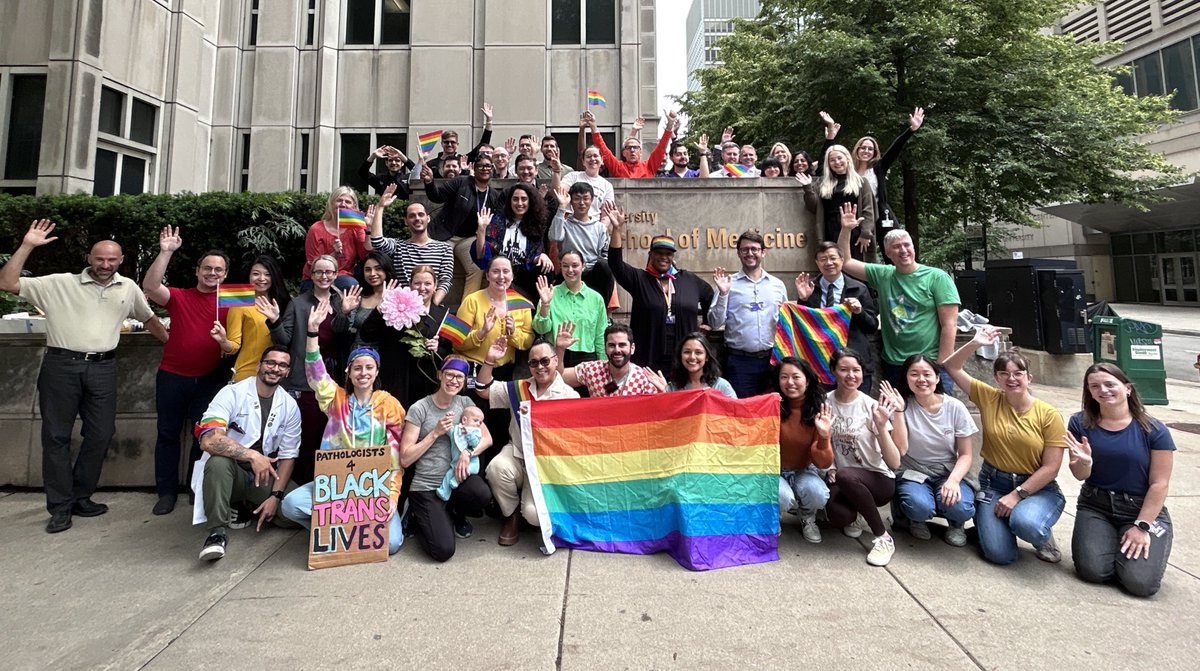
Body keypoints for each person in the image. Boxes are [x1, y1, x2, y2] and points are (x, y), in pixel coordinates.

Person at [0, 220, 166, 533]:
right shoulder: (58, 283)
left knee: (102, 433)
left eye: (112, 260)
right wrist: (27, 246)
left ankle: (81, 496)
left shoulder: (127, 288)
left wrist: (174, 348)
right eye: (99, 258)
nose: (105, 265)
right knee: (56, 437)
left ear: (121, 261)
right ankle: (60, 507)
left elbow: (150, 319)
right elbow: (7, 283)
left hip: (103, 368)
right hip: (61, 366)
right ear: (89, 259)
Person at [277, 302, 407, 555]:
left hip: (373, 488)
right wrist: (312, 332)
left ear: (377, 371)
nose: (363, 373)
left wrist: (392, 496)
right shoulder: (335, 400)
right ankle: (336, 532)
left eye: (369, 368)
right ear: (348, 372)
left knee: (390, 545)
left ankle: (349, 531)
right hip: (336, 486)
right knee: (291, 505)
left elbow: (394, 460)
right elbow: (315, 374)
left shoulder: (389, 405)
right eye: (357, 368)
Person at [944, 327, 1067, 566]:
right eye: (1004, 373)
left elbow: (1051, 468)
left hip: (1035, 486)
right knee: (999, 555)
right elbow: (951, 367)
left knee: (1027, 524)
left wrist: (1017, 495)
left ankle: (1040, 533)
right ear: (997, 378)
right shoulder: (989, 398)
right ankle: (995, 525)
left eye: (1018, 373)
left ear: (1028, 377)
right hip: (994, 482)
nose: (1011, 378)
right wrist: (975, 343)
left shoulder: (1048, 414)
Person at [143, 226, 233, 516]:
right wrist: (166, 252)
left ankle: (196, 488)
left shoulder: (231, 301)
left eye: (218, 270)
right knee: (167, 434)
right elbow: (151, 287)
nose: (212, 273)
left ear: (225, 274)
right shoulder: (180, 296)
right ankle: (166, 492)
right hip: (173, 376)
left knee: (203, 437)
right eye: (207, 268)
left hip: (210, 380)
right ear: (197, 271)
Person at [1066, 363, 1175, 597]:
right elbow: (1079, 475)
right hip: (1096, 505)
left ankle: (1133, 547)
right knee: (1092, 571)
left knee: (1139, 584)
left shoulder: (1154, 430)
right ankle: (1109, 542)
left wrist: (1142, 526)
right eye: (1094, 386)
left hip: (1139, 509)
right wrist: (1085, 463)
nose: (1103, 390)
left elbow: (1160, 484)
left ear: (1127, 389)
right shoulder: (1080, 423)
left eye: (1110, 384)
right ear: (1089, 392)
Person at [836, 203, 960, 394]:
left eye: (906, 245)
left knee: (935, 418)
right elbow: (845, 262)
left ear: (913, 247)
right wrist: (845, 229)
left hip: (929, 364)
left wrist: (941, 365)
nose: (903, 250)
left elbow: (950, 325)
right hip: (894, 365)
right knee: (900, 417)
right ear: (888, 253)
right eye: (896, 247)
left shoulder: (937, 278)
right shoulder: (884, 275)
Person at [192, 346, 302, 561]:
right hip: (230, 475)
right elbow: (209, 440)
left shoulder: (289, 406)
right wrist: (252, 455)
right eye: (270, 362)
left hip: (261, 478)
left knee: (295, 514)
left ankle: (247, 505)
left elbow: (289, 455)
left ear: (287, 372)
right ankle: (217, 533)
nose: (275, 369)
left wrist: (275, 497)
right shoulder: (231, 393)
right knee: (218, 462)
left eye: (282, 365)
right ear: (259, 365)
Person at [476, 338, 580, 545]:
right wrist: (489, 360)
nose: (539, 367)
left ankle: (526, 510)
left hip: (546, 466)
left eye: (544, 361)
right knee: (496, 468)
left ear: (554, 360)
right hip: (517, 453)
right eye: (534, 363)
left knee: (534, 516)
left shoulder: (570, 396)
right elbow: (482, 389)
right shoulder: (519, 388)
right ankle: (511, 514)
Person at [400, 356, 495, 561]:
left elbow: (487, 439)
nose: (454, 381)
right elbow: (405, 458)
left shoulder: (465, 403)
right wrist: (434, 433)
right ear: (440, 375)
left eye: (459, 377)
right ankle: (416, 514)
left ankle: (453, 512)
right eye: (450, 375)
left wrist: (467, 453)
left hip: (454, 480)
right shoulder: (420, 408)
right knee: (443, 551)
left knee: (481, 494)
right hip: (427, 484)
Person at [265, 255, 346, 485]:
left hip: (334, 383)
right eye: (319, 272)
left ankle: (327, 492)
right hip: (305, 383)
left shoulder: (340, 302)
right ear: (311, 275)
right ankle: (300, 490)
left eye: (329, 272)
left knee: (330, 442)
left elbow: (344, 336)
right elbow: (285, 340)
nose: (324, 276)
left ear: (336, 275)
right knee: (307, 441)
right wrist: (274, 321)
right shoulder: (298, 304)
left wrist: (346, 314)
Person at [889, 356, 978, 547]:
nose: (921, 379)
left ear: (937, 378)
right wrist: (898, 412)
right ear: (906, 378)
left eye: (927, 374)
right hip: (913, 469)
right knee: (918, 506)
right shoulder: (902, 405)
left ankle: (956, 523)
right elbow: (900, 449)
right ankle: (915, 517)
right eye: (914, 374)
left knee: (961, 508)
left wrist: (953, 481)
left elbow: (966, 455)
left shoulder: (955, 407)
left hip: (946, 470)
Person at [825, 348, 903, 567]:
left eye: (856, 370)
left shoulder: (871, 406)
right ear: (833, 371)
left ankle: (882, 537)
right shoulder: (826, 402)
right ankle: (859, 512)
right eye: (844, 370)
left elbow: (894, 462)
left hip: (877, 479)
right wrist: (829, 467)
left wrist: (880, 424)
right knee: (837, 515)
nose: (851, 375)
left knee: (847, 475)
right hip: (842, 478)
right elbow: (824, 442)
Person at [609, 218, 715, 373]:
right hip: (648, 358)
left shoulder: (689, 280)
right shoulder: (639, 279)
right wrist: (616, 229)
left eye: (668, 254)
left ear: (673, 257)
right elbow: (615, 264)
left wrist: (707, 322)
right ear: (650, 254)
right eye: (658, 253)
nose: (663, 257)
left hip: (684, 360)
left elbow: (709, 295)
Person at [708, 231, 790, 398]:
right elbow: (715, 323)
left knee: (772, 409)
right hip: (739, 362)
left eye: (754, 249)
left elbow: (786, 322)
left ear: (763, 252)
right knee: (742, 410)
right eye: (745, 250)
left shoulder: (777, 285)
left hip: (772, 360)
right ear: (738, 253)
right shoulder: (728, 284)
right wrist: (723, 294)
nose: (750, 253)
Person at [794, 240, 879, 393]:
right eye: (823, 259)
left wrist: (859, 312)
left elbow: (872, 326)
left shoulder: (859, 288)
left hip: (853, 363)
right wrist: (803, 300)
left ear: (841, 259)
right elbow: (802, 327)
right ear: (817, 263)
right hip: (819, 363)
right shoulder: (809, 288)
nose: (829, 263)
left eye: (833, 258)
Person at [358, 264, 447, 409]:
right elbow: (367, 335)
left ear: (435, 286)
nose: (422, 287)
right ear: (410, 285)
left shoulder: (441, 315)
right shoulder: (393, 307)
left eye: (427, 283)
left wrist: (438, 349)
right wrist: (381, 308)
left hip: (425, 382)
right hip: (396, 378)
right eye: (417, 283)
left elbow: (448, 351)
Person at [422, 152, 504, 297]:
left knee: (477, 268)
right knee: (433, 269)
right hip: (445, 235)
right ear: (474, 168)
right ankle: (428, 303)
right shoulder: (461, 182)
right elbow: (437, 196)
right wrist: (429, 182)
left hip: (469, 239)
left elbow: (498, 222)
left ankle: (467, 306)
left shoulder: (493, 196)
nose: (485, 169)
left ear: (492, 169)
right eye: (480, 166)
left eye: (488, 166)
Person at [772, 358, 834, 543]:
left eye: (796, 377)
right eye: (784, 377)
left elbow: (824, 463)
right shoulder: (771, 405)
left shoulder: (819, 409)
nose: (790, 382)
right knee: (783, 497)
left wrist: (823, 436)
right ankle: (771, 518)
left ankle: (808, 516)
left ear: (807, 380)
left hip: (805, 470)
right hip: (774, 471)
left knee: (818, 494)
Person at [369, 183, 453, 304]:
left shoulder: (444, 248)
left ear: (428, 218)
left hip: (431, 305)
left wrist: (432, 305)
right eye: (412, 216)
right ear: (406, 221)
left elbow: (445, 280)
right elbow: (377, 241)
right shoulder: (398, 247)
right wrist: (380, 207)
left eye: (421, 214)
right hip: (402, 307)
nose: (417, 218)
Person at [454, 256, 535, 377]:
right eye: (496, 271)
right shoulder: (472, 300)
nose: (501, 276)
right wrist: (482, 332)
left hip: (504, 370)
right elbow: (457, 342)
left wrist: (513, 332)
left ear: (512, 276)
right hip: (474, 368)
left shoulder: (522, 304)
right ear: (487, 276)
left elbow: (528, 341)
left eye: (506, 271)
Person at [214, 255, 291, 383]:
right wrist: (223, 341)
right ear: (249, 276)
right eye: (256, 274)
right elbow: (233, 346)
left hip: (280, 374)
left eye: (267, 274)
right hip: (249, 373)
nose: (261, 279)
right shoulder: (240, 304)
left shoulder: (287, 303)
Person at [846, 107, 925, 231]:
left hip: (881, 213)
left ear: (874, 152)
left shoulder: (879, 168)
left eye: (870, 149)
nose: (866, 151)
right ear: (857, 149)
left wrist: (911, 130)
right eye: (863, 148)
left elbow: (895, 147)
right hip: (857, 215)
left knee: (895, 242)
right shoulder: (848, 171)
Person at [471, 185, 553, 302]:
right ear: (509, 201)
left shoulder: (536, 223)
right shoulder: (498, 221)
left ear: (530, 201)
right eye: (515, 199)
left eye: (524, 199)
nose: (519, 203)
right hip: (501, 270)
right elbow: (481, 255)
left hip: (523, 274)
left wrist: (542, 256)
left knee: (547, 267)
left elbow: (533, 256)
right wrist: (482, 229)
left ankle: (540, 306)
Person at [800, 144, 876, 261]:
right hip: (831, 229)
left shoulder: (861, 182)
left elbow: (868, 209)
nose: (837, 162)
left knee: (856, 264)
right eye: (832, 160)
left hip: (855, 231)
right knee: (834, 262)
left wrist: (866, 233)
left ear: (847, 158)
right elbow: (813, 207)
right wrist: (807, 188)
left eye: (839, 158)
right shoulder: (822, 183)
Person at [556, 322, 668, 397]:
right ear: (605, 348)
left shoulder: (645, 379)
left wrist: (664, 393)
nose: (617, 350)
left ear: (632, 348)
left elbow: (658, 415)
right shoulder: (592, 370)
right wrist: (560, 349)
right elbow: (558, 377)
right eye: (612, 345)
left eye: (622, 345)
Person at [532, 257, 607, 366]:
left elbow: (600, 335)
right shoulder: (550, 294)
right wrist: (545, 304)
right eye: (565, 266)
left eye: (575, 265)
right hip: (556, 354)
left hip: (588, 358)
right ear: (561, 267)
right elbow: (541, 329)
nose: (570, 270)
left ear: (583, 266)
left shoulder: (596, 298)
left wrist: (603, 363)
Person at [548, 183, 614, 302]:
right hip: (569, 271)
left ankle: (601, 311)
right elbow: (554, 237)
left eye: (585, 198)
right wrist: (562, 207)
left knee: (605, 267)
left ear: (592, 200)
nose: (581, 203)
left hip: (592, 272)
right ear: (571, 201)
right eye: (577, 199)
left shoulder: (600, 228)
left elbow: (604, 255)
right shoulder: (565, 224)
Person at [302, 187, 368, 292]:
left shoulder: (355, 227)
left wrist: (367, 230)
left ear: (354, 207)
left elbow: (364, 255)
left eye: (348, 202)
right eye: (339, 200)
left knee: (354, 283)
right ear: (331, 204)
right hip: (316, 279)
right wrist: (334, 254)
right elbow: (313, 265)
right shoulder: (316, 229)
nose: (343, 204)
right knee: (350, 284)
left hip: (344, 275)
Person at [586, 109, 678, 178]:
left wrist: (669, 125)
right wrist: (593, 126)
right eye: (629, 148)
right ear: (624, 153)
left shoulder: (649, 166)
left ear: (640, 151)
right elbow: (603, 149)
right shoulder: (618, 167)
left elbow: (661, 148)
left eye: (635, 147)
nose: (632, 150)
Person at [333, 251, 395, 349]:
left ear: (386, 270)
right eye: (367, 270)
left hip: (388, 356)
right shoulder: (358, 297)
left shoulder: (398, 297)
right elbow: (339, 330)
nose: (372, 274)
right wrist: (344, 312)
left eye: (378, 269)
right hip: (359, 355)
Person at [427, 104, 494, 177]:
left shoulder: (464, 160)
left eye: (453, 142)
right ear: (442, 144)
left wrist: (489, 121)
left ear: (457, 144)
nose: (449, 144)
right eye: (446, 142)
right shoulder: (431, 164)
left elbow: (482, 145)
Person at [666, 333, 736, 398]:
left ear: (707, 357)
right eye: (687, 352)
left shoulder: (721, 386)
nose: (692, 357)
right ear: (680, 356)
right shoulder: (672, 387)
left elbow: (736, 409)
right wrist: (663, 394)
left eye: (698, 352)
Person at [437, 406, 485, 500]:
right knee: (449, 474)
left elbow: (474, 443)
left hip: (472, 462)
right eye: (476, 420)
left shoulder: (476, 433)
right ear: (464, 420)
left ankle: (456, 480)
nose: (478, 424)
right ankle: (444, 492)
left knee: (466, 470)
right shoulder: (456, 430)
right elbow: (447, 430)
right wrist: (447, 418)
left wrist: (469, 434)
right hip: (456, 463)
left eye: (480, 422)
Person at [559, 146, 615, 219]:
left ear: (602, 160)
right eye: (588, 156)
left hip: (594, 226)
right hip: (571, 224)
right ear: (583, 162)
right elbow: (560, 192)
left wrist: (600, 229)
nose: (592, 159)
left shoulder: (607, 185)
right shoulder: (572, 176)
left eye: (595, 156)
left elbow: (606, 215)